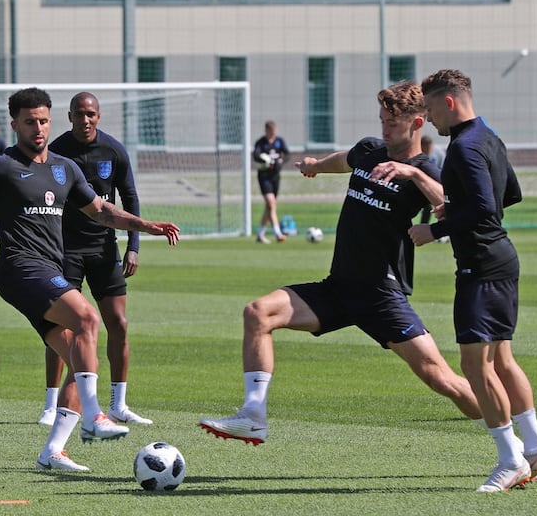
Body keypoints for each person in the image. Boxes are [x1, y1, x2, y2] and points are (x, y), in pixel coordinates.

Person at [199, 81, 483, 447]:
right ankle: (253, 416)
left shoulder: (423, 167)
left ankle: (518, 440)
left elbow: (451, 201)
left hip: (381, 295)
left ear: (417, 123)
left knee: (442, 380)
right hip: (339, 286)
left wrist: (411, 173)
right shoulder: (369, 150)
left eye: (393, 124)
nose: (384, 130)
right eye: (382, 121)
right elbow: (346, 159)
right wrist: (316, 166)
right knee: (258, 313)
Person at [0, 87, 179, 472]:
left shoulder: (65, 168)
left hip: (48, 269)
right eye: (30, 122)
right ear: (15, 124)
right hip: (19, 267)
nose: (39, 128)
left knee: (83, 357)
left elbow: (102, 211)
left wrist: (145, 227)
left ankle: (54, 451)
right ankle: (96, 416)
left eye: (43, 120)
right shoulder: (1, 165)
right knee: (89, 318)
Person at [412, 69, 537, 492]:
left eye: (431, 108)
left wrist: (434, 230)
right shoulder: (490, 137)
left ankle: (511, 461)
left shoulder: (464, 148)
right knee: (502, 360)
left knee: (476, 365)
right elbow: (509, 195)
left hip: (481, 266)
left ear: (449, 103)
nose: (430, 119)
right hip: (501, 260)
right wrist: (456, 208)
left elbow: (487, 209)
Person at [36, 92, 151, 427]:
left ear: (98, 116)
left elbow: (129, 197)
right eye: (78, 114)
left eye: (90, 114)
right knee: (61, 326)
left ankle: (119, 404)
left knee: (118, 323)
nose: (84, 120)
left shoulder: (114, 150)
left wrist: (134, 244)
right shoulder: (55, 151)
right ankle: (50, 405)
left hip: (104, 249)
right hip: (65, 250)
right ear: (70, 117)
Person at [253, 121, 289, 243]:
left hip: (275, 177)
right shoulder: (261, 142)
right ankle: (278, 234)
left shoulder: (279, 141)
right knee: (271, 203)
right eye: (270, 132)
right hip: (264, 176)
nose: (273, 134)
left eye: (274, 132)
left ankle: (260, 234)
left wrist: (280, 162)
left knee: (269, 207)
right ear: (266, 131)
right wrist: (264, 159)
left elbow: (287, 154)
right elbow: (255, 155)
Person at [419, 135, 446, 224]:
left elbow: (443, 170)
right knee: (427, 206)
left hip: (436, 184)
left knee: (441, 207)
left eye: (428, 147)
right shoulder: (418, 153)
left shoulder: (439, 154)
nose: (427, 150)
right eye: (424, 147)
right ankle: (423, 225)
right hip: (421, 183)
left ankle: (443, 228)